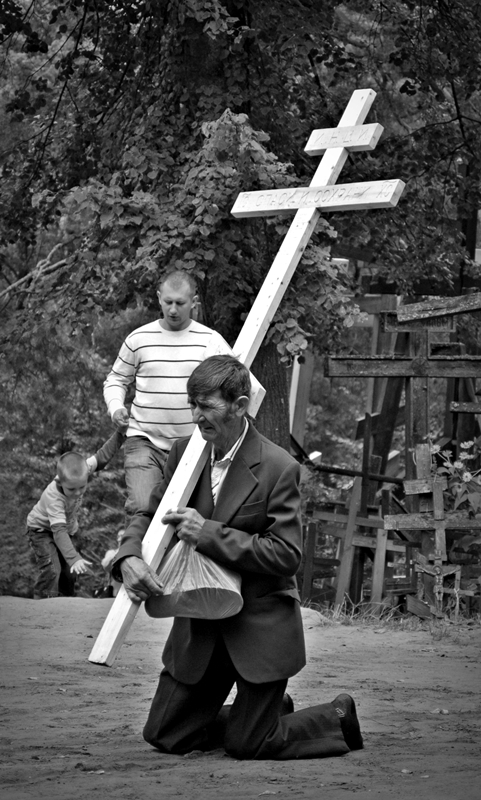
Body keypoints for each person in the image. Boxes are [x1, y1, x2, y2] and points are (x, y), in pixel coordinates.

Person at [112, 355, 363, 760]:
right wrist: (127, 556)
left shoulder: (280, 467)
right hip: (201, 625)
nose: (195, 416)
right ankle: (263, 713)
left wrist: (207, 533)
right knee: (165, 736)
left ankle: (335, 714)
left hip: (258, 626)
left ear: (240, 404)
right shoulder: (183, 454)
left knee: (250, 745)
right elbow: (147, 514)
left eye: (206, 406)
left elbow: (285, 555)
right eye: (192, 404)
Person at [103, 270, 231, 519]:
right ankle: (135, 556)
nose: (173, 309)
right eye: (168, 302)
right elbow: (116, 379)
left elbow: (234, 382)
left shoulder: (211, 341)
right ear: (159, 298)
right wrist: (116, 407)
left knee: (187, 516)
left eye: (180, 303)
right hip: (144, 440)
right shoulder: (138, 339)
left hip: (194, 445)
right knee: (143, 509)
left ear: (194, 302)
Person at [26, 431, 124, 599]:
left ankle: (65, 603)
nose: (78, 493)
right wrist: (73, 557)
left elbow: (103, 456)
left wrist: (121, 434)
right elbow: (58, 532)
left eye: (82, 487)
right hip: (41, 531)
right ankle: (41, 604)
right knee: (52, 569)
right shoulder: (54, 498)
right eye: (71, 489)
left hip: (65, 530)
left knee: (70, 573)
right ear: (59, 481)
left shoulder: (83, 469)